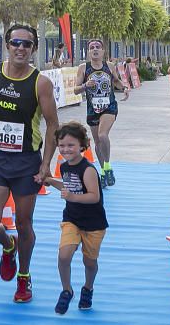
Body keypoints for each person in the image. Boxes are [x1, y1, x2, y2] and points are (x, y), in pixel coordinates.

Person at [0, 23, 59, 303]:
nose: (20, 48)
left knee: (24, 223)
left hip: (26, 162)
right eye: (16, 43)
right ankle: (7, 246)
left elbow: (52, 125)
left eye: (27, 44)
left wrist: (46, 164)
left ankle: (24, 277)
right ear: (7, 45)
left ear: (33, 49)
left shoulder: (40, 83)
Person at [44, 122, 107, 314]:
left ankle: (88, 288)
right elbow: (68, 186)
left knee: (89, 262)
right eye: (61, 145)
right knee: (64, 256)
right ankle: (66, 290)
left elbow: (94, 196)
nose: (65, 149)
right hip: (72, 219)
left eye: (70, 145)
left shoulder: (88, 170)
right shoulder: (64, 167)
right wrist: (49, 181)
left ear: (82, 145)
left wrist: (72, 197)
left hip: (93, 224)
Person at [74, 39, 128, 188]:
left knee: (103, 135)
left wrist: (124, 88)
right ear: (88, 51)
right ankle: (103, 171)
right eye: (92, 47)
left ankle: (108, 167)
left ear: (103, 51)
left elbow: (116, 81)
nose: (95, 49)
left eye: (98, 47)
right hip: (93, 109)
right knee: (98, 142)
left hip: (109, 106)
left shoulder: (109, 66)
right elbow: (75, 89)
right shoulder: (83, 68)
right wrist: (85, 85)